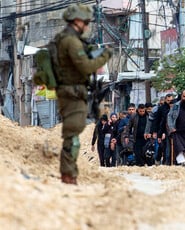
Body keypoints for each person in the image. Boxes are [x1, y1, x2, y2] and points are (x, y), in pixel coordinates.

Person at [55, 3, 112, 184]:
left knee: (74, 134)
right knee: (72, 136)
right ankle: (68, 175)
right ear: (77, 21)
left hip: (73, 91)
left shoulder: (70, 39)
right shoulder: (71, 41)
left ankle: (70, 173)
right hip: (71, 92)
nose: (87, 26)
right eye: (86, 22)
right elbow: (85, 66)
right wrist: (104, 56)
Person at [153, 94, 174, 165]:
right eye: (168, 100)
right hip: (163, 131)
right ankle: (165, 162)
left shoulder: (175, 108)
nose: (169, 102)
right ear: (165, 100)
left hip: (173, 131)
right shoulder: (161, 108)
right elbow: (158, 121)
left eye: (171, 100)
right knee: (165, 149)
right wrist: (157, 132)